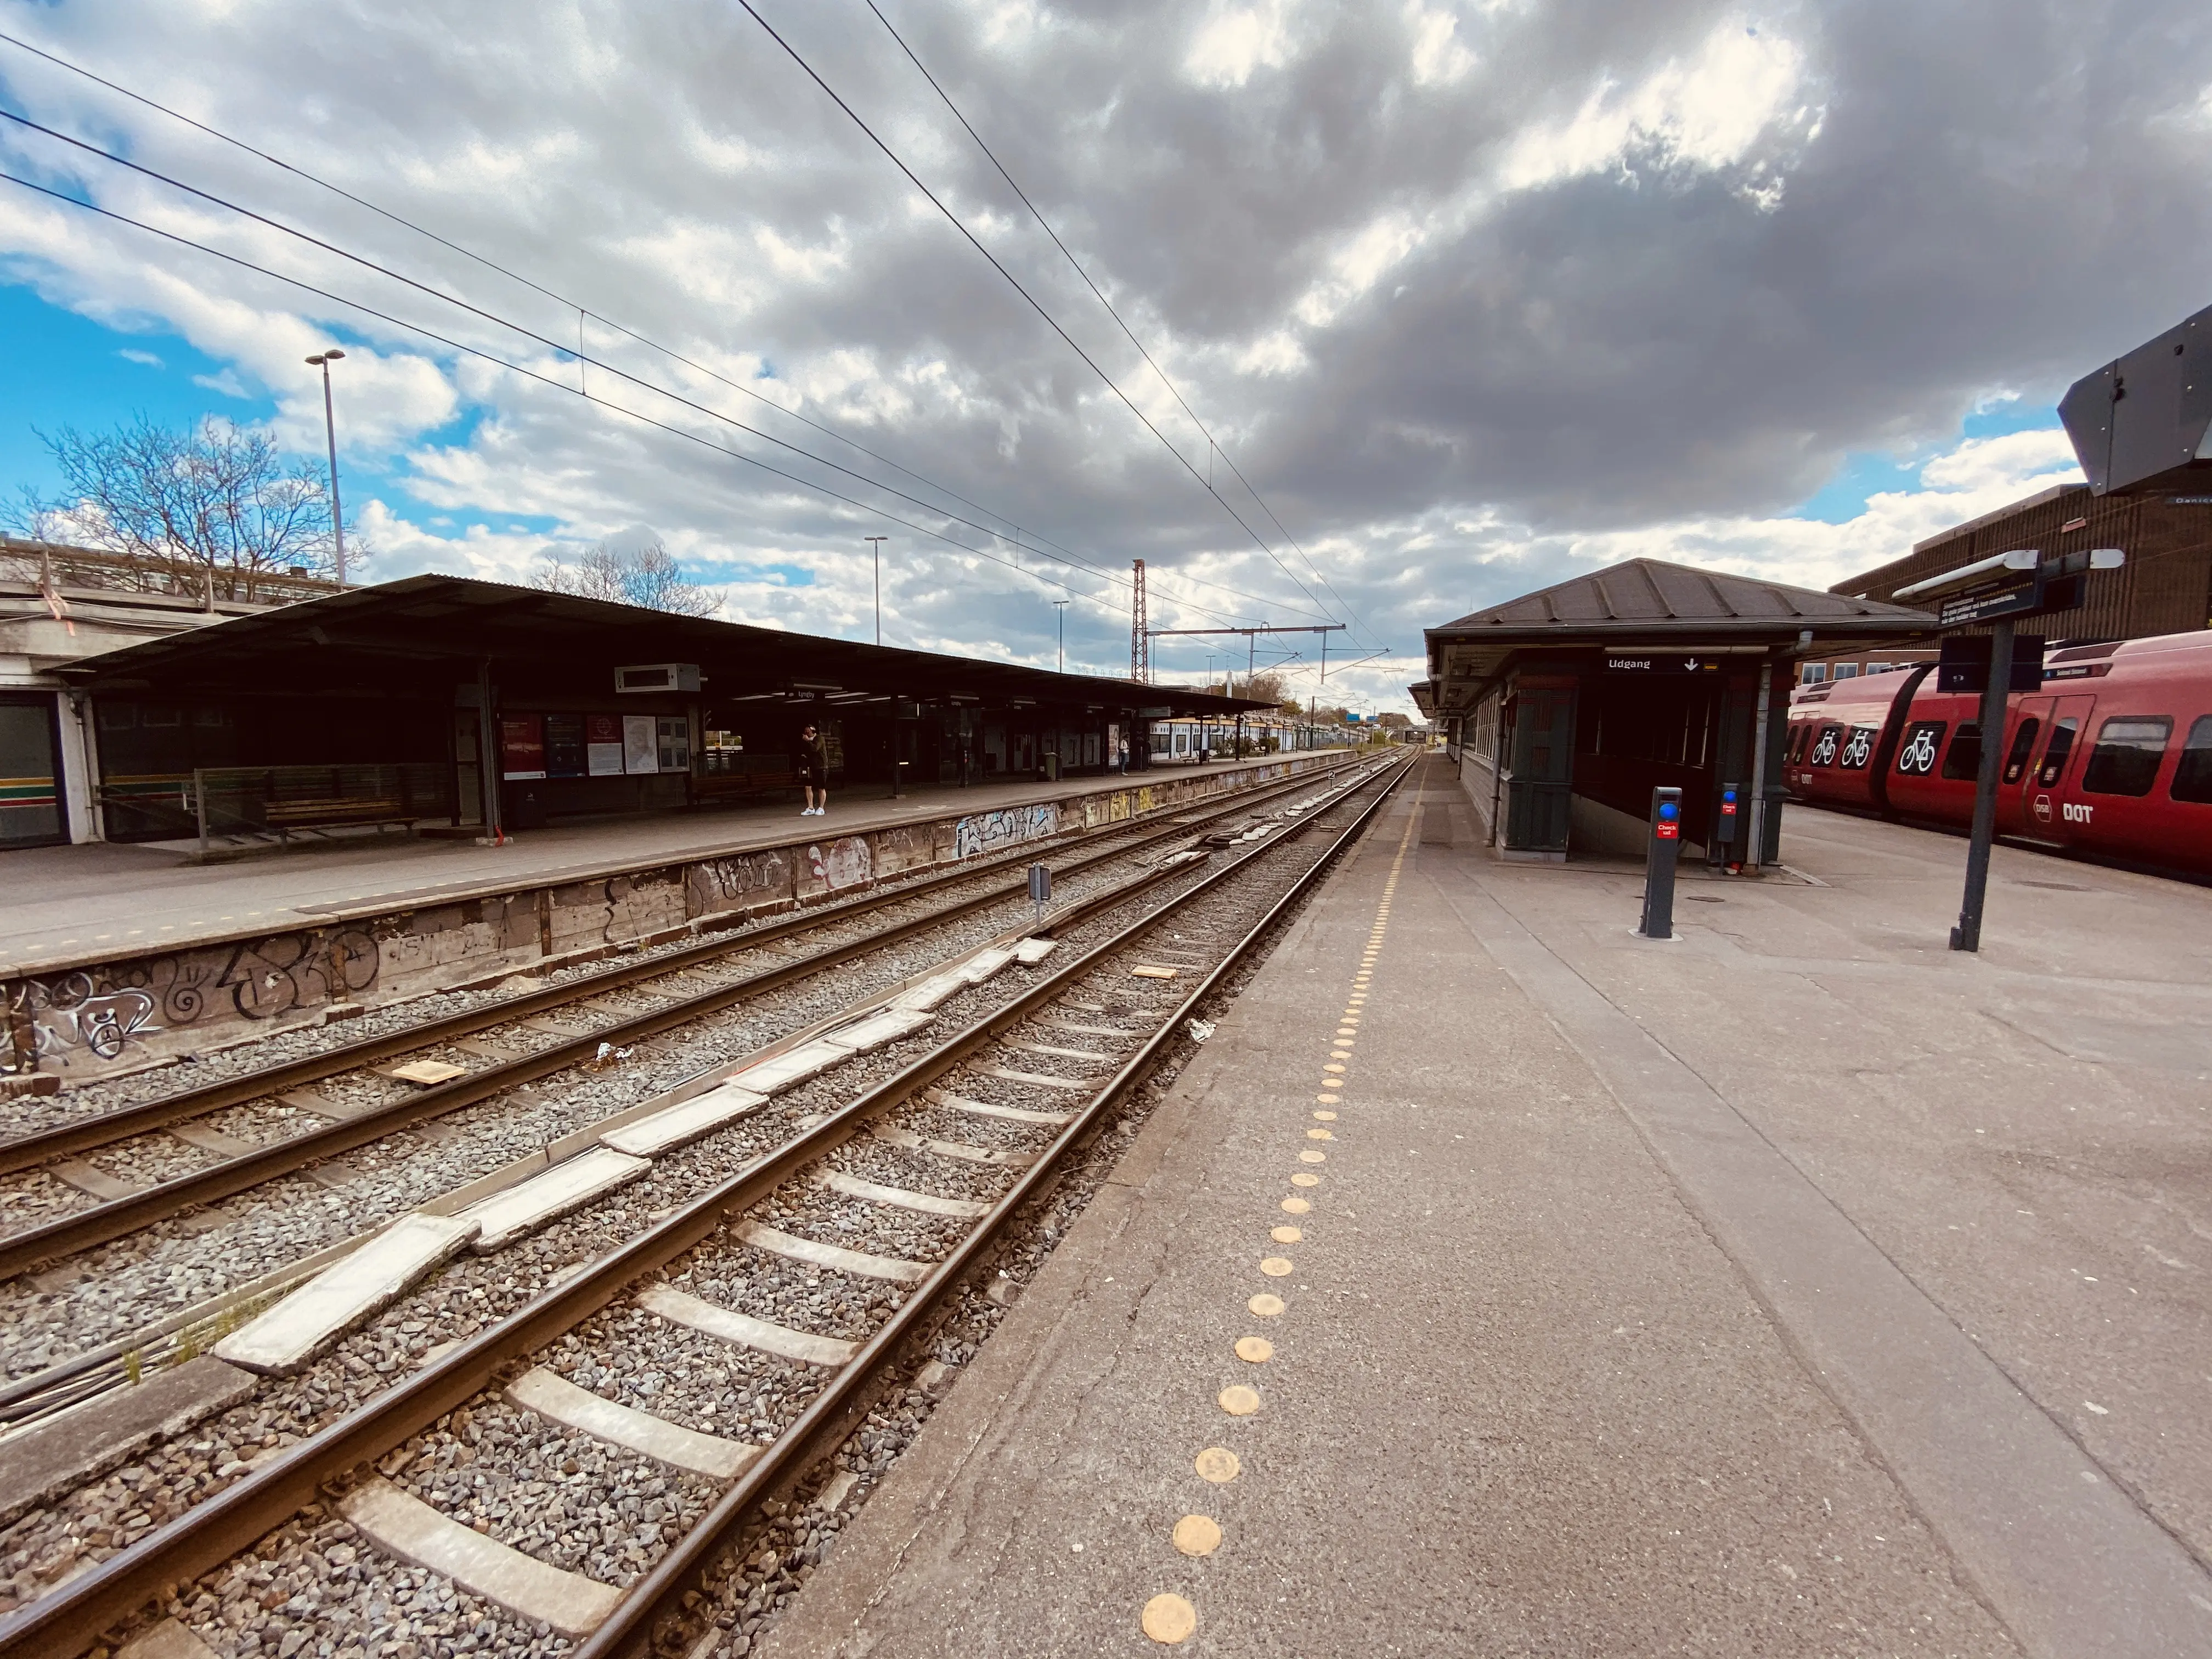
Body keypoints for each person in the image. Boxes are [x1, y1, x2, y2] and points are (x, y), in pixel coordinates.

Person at [795, 723, 828, 816]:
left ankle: (821, 807)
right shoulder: (805, 741)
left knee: (821, 787)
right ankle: (810, 807)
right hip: (810, 766)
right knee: (808, 786)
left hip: (821, 766)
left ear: (812, 731)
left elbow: (815, 748)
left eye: (808, 731)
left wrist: (808, 741)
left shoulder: (819, 738)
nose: (806, 733)